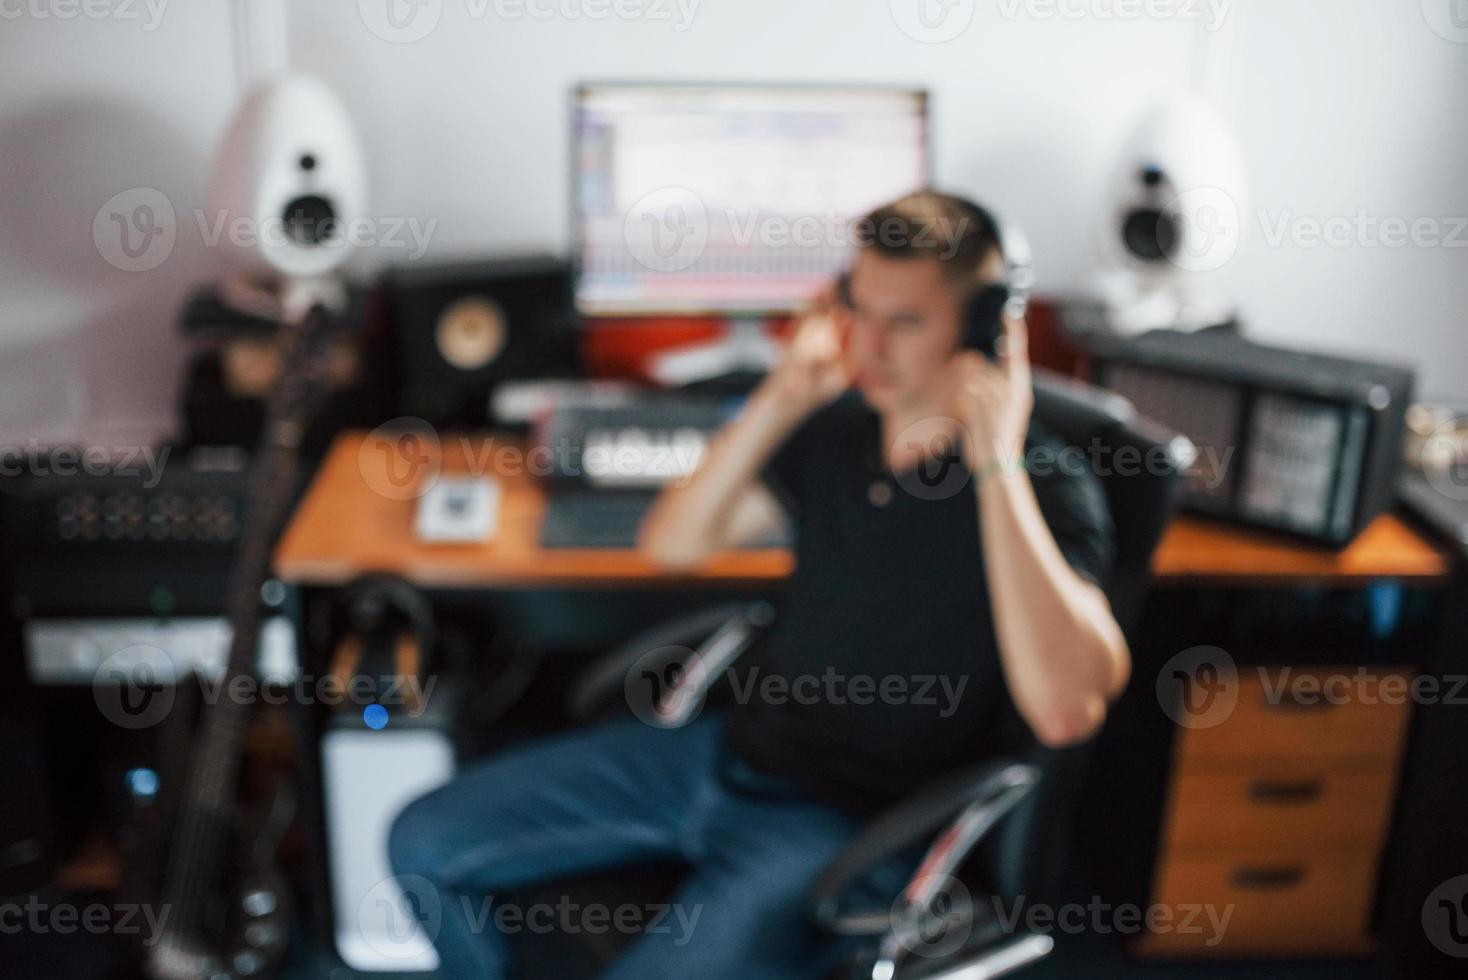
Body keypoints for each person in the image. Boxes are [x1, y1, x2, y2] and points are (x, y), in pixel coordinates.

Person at [389, 190, 1130, 979]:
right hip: (726, 757)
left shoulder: (1045, 489)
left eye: (904, 321)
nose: (868, 344)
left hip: (849, 822)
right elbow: (675, 542)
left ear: (984, 333)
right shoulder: (841, 432)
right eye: (857, 308)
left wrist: (996, 461)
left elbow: (1065, 709)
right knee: (424, 843)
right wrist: (784, 396)